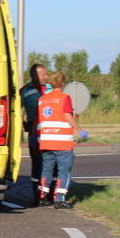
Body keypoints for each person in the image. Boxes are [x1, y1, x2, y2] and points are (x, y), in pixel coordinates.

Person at [37, 71, 87, 209]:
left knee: (46, 169)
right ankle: (59, 199)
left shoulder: (42, 99)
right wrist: (79, 130)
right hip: (62, 142)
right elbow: (68, 117)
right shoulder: (65, 97)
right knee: (64, 170)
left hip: (46, 141)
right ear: (63, 83)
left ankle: (42, 197)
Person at [19, 63, 49, 203]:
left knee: (50, 162)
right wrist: (21, 123)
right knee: (36, 162)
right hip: (33, 130)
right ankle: (36, 194)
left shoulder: (50, 88)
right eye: (43, 74)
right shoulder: (25, 91)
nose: (46, 77)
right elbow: (14, 107)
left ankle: (49, 193)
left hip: (50, 129)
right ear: (34, 75)